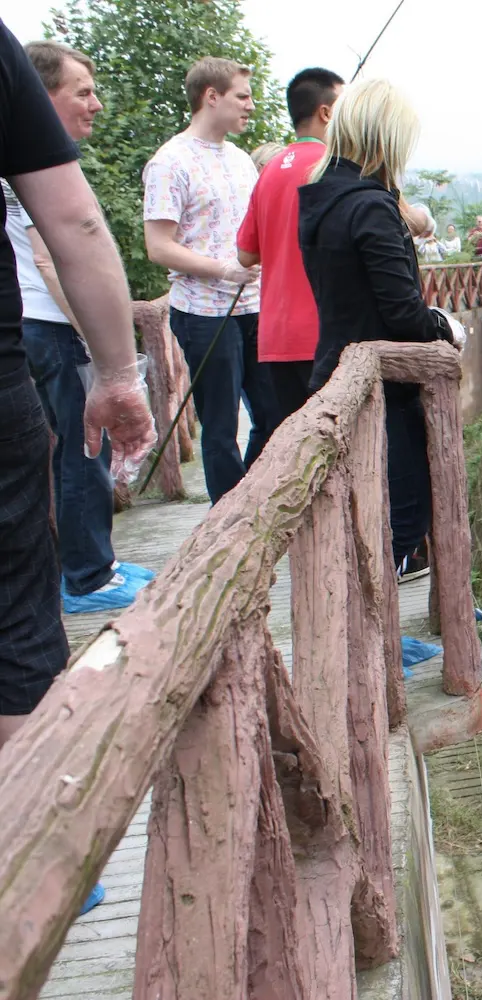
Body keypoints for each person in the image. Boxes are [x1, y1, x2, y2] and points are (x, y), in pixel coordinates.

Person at [0, 19, 155, 762]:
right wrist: (118, 371)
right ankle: (35, 851)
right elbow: (74, 226)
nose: (95, 105)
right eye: (83, 92)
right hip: (37, 341)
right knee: (15, 623)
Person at [298, 77, 459, 578]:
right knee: (402, 518)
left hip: (333, 371)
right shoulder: (370, 206)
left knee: (365, 521)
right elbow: (403, 314)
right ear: (385, 138)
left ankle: (372, 648)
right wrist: (448, 327)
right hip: (382, 391)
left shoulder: (321, 199)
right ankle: (376, 652)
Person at [143, 56, 275, 504]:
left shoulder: (241, 161)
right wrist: (222, 269)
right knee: (219, 426)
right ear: (211, 97)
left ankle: (249, 497)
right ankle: (230, 520)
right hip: (202, 312)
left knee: (275, 412)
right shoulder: (169, 162)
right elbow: (158, 246)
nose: (250, 106)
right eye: (243, 96)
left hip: (255, 305)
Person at [236, 66, 343, 437]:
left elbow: (246, 255)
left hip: (276, 338)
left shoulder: (267, 172)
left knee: (294, 451)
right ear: (326, 112)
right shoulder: (335, 168)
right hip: (324, 335)